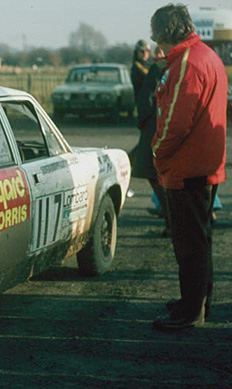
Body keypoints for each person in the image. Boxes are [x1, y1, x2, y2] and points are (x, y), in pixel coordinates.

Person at [149, 4, 228, 331]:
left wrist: (157, 153)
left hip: (187, 168)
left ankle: (190, 311)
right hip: (205, 165)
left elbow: (174, 124)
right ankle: (197, 300)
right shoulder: (204, 55)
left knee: (189, 246)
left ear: (163, 33)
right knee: (200, 241)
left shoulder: (187, 64)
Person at [133, 46, 169, 236]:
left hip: (153, 126)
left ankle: (170, 218)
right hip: (167, 125)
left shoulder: (157, 68)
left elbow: (145, 98)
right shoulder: (177, 66)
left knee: (152, 172)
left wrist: (143, 122)